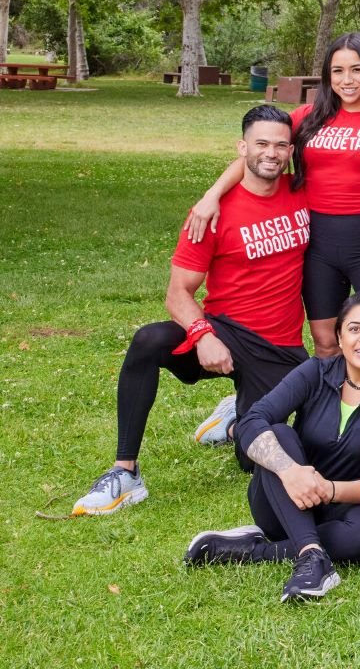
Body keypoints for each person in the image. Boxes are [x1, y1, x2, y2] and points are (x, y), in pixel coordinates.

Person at [72, 106, 311, 516]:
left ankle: (234, 420)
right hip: (224, 330)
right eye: (260, 144)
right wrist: (202, 335)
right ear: (242, 148)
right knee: (150, 340)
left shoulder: (301, 191)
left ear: (290, 149)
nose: (270, 153)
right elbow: (177, 292)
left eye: (280, 145)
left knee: (253, 458)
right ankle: (125, 472)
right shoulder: (211, 214)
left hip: (279, 347)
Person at [187, 32, 360, 383]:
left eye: (357, 70)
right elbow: (260, 151)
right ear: (327, 76)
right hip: (316, 244)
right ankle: (338, 424)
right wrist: (212, 195)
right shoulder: (306, 118)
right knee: (327, 343)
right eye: (337, 71)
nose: (347, 80)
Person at [184, 292, 360, 603]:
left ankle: (255, 550)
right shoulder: (316, 372)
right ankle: (313, 557)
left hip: (342, 506)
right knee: (276, 432)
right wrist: (290, 472)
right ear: (340, 338)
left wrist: (328, 489)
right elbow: (252, 420)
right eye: (355, 329)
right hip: (281, 498)